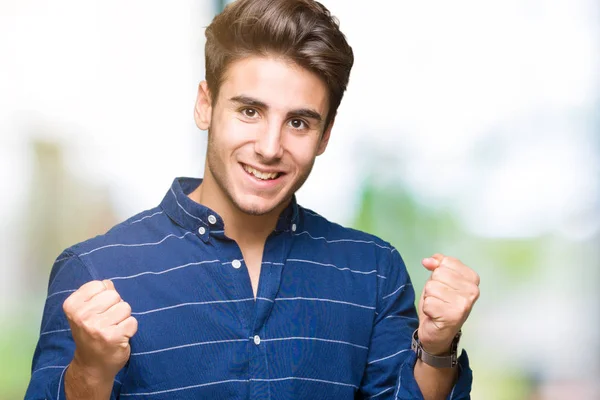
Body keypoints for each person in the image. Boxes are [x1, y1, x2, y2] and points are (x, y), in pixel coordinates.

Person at [25, 0, 480, 399]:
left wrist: (438, 346)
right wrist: (90, 370)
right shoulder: (96, 272)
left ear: (325, 135)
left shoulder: (372, 273)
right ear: (205, 105)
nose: (269, 146)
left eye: (298, 123)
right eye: (249, 111)